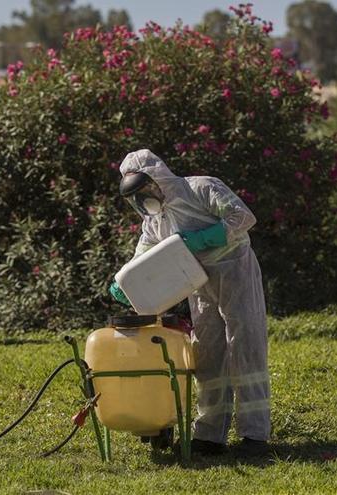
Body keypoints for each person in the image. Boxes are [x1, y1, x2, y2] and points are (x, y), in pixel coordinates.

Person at [108, 149, 270, 457]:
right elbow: (143, 254)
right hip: (197, 280)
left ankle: (254, 434)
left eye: (145, 189)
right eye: (136, 196)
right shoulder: (154, 220)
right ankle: (210, 434)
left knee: (245, 344)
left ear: (158, 178)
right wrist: (122, 282)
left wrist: (206, 237)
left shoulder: (202, 188)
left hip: (235, 269)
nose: (143, 199)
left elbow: (243, 217)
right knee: (207, 353)